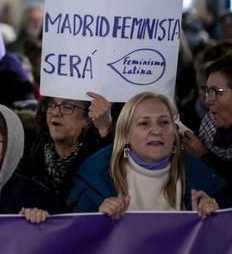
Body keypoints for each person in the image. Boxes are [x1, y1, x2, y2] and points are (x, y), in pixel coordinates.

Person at [69, 92, 227, 218]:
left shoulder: (201, 177)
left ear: (175, 132)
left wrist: (215, 216)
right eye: (144, 123)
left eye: (164, 122)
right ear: (126, 134)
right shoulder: (96, 176)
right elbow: (75, 239)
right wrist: (96, 219)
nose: (157, 130)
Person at [18, 92, 113, 204]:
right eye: (51, 105)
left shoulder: (97, 158)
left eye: (67, 107)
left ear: (87, 120)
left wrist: (106, 130)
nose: (55, 112)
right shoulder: (29, 156)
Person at [183, 56, 232, 192]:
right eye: (207, 91)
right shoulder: (209, 121)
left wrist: (204, 156)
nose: (207, 100)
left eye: (215, 92)